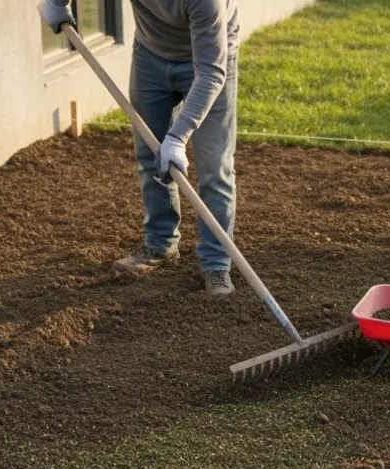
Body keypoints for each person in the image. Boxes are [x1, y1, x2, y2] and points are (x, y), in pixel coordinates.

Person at [40, 0, 240, 297]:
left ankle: (216, 262)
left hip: (209, 62)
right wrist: (56, 3)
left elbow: (211, 73)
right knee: (152, 157)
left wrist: (178, 137)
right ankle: (160, 244)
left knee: (214, 168)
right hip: (150, 54)